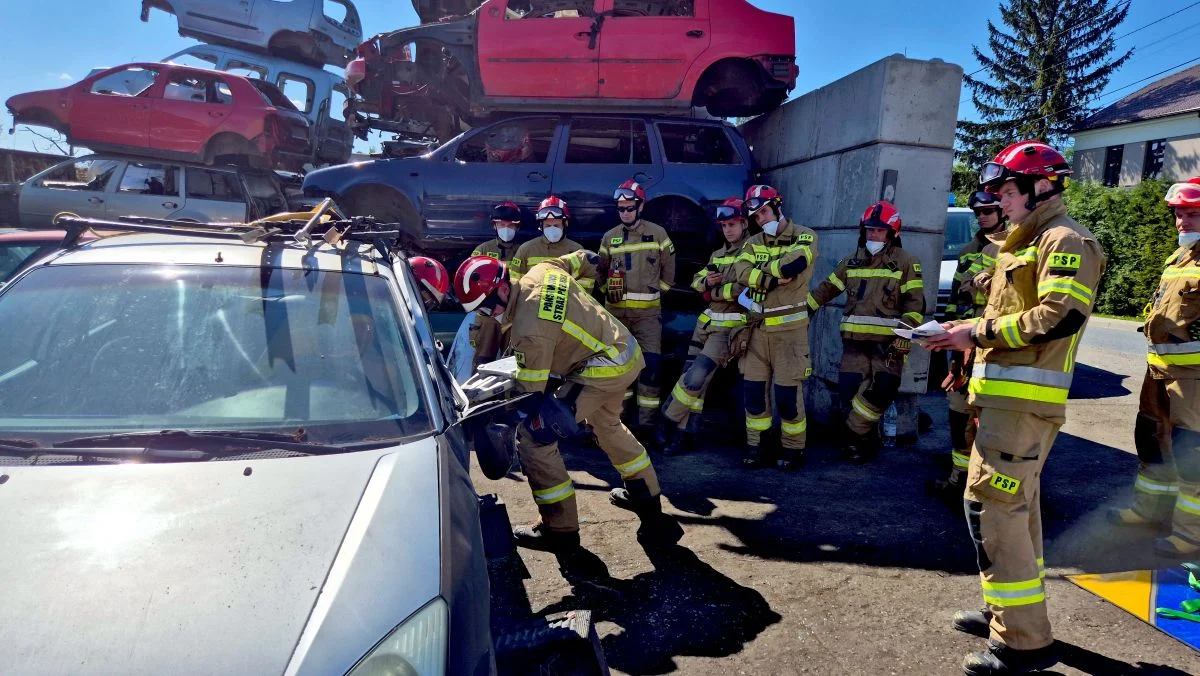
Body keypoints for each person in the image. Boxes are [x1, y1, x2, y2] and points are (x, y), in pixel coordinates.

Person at [925, 140, 1106, 676]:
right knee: (1011, 511)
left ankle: (1023, 643)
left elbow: (1060, 317)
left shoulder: (1065, 239)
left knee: (993, 509)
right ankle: (1007, 611)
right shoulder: (1022, 242)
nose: (998, 201)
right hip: (1005, 403)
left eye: (1007, 190)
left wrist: (972, 332)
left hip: (1023, 407)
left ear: (1040, 186)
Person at [454, 251, 678, 551]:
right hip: (624, 350)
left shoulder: (529, 330)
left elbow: (531, 392)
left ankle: (559, 531)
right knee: (607, 425)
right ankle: (646, 499)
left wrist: (499, 413)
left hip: (600, 369)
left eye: (486, 307)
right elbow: (589, 258)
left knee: (536, 436)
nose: (486, 315)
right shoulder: (543, 268)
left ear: (503, 289)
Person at [1107, 178, 1200, 558]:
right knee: (1151, 440)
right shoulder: (1180, 257)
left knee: (1191, 452)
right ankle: (1149, 512)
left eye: (1192, 213)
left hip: (1193, 378)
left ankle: (1190, 535)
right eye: (1179, 213)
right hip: (1158, 369)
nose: (1182, 221)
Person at [807, 200, 924, 463]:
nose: (873, 235)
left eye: (879, 231)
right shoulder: (851, 260)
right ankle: (860, 444)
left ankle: (852, 434)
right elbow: (827, 288)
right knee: (849, 395)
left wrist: (904, 337)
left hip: (888, 347)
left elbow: (915, 305)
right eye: (869, 230)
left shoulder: (906, 263)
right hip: (854, 344)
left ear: (892, 233)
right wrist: (804, 311)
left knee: (881, 392)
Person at [730, 185, 818, 469]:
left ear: (777, 207)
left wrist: (761, 271)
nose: (761, 219)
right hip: (756, 333)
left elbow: (796, 265)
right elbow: (739, 273)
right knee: (754, 397)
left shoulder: (805, 235)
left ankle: (794, 450)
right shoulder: (752, 242)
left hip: (790, 337)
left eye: (764, 212)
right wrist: (769, 278)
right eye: (756, 216)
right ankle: (758, 446)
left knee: (788, 399)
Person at [930, 191, 1009, 495]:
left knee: (988, 421)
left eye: (988, 210)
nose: (982, 216)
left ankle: (983, 488)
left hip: (995, 341)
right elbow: (954, 302)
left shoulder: (1014, 249)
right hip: (966, 343)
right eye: (978, 212)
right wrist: (949, 342)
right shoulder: (967, 250)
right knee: (957, 413)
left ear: (1001, 211)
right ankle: (958, 481)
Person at [661, 197, 751, 455]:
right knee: (693, 385)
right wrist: (708, 284)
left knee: (694, 380)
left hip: (727, 331)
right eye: (724, 226)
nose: (728, 230)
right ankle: (685, 434)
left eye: (733, 224)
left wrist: (713, 291)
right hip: (705, 325)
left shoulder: (752, 252)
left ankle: (665, 423)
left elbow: (746, 289)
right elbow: (696, 281)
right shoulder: (718, 254)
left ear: (744, 223)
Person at [599, 179, 676, 446]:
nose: (625, 213)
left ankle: (646, 426)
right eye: (621, 209)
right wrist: (609, 290)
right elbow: (600, 273)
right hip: (617, 316)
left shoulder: (658, 234)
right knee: (619, 369)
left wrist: (656, 293)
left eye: (630, 208)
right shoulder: (609, 237)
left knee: (651, 369)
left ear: (640, 206)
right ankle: (616, 425)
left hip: (648, 317)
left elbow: (669, 273)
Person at [468, 201, 525, 369]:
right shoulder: (482, 251)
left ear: (517, 227)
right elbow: (470, 284)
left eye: (510, 225)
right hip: (488, 316)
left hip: (514, 315)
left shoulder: (524, 251)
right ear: (494, 225)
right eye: (501, 225)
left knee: (512, 362)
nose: (506, 229)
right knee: (483, 361)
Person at [510, 196, 595, 293]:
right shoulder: (526, 249)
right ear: (541, 226)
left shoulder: (577, 250)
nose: (552, 229)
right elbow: (515, 282)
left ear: (565, 224)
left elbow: (586, 284)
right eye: (548, 225)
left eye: (556, 225)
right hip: (532, 305)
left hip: (565, 306)